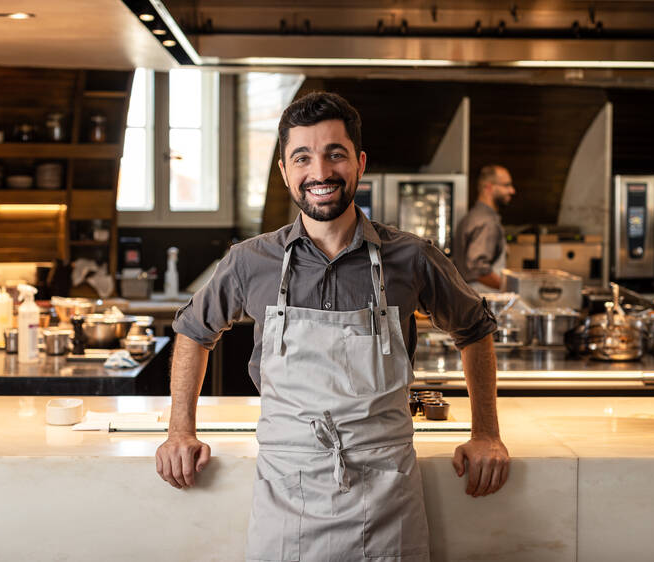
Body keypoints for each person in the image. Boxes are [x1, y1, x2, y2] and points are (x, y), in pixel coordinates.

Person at [156, 92, 510, 561]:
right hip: (286, 498)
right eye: (302, 157)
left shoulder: (411, 256)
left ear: (359, 163)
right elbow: (193, 332)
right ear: (285, 172)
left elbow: (475, 329)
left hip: (387, 498)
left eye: (335, 154)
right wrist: (180, 429)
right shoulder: (250, 261)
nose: (319, 172)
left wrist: (486, 432)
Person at [453, 165, 516, 293]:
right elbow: (477, 268)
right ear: (489, 187)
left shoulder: (473, 216)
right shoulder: (486, 221)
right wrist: (509, 288)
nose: (512, 191)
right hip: (484, 299)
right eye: (506, 185)